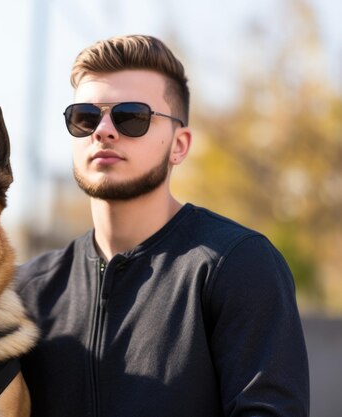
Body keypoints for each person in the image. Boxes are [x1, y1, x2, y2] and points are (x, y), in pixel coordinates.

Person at [15, 34, 309, 417]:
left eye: (132, 117)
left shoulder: (237, 265)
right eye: (85, 117)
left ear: (179, 145)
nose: (103, 130)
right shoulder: (28, 292)